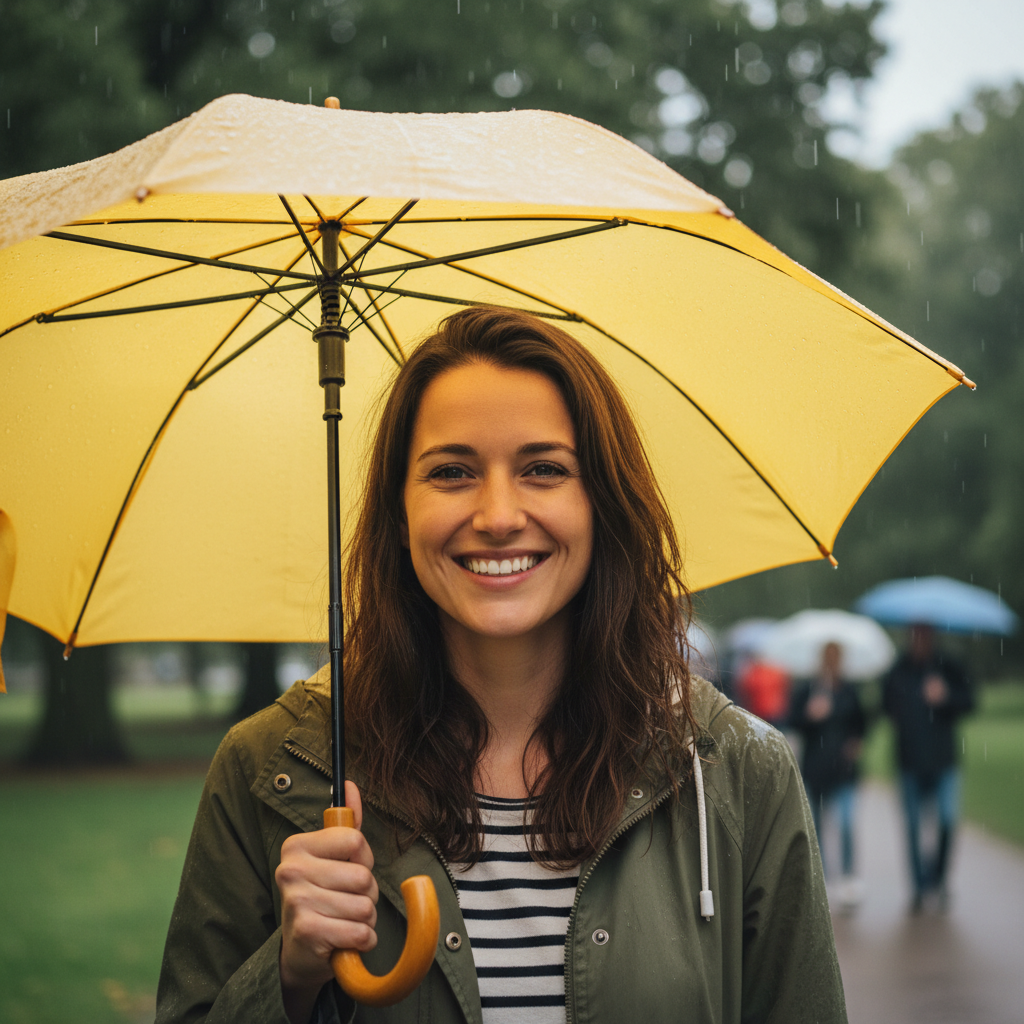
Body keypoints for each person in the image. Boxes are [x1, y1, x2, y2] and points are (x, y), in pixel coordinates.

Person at [155, 306, 847, 1024]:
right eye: (451, 472)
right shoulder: (271, 769)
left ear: (601, 503)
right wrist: (288, 975)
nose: (497, 514)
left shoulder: (734, 771)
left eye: (543, 469)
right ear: (398, 513)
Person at [882, 623, 975, 911]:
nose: (920, 639)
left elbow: (969, 703)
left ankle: (939, 879)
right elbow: (886, 708)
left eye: (925, 634)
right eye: (915, 633)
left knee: (947, 820)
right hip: (909, 760)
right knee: (912, 826)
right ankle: (919, 889)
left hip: (943, 760)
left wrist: (945, 697)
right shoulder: (897, 670)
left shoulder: (949, 667)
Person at [788, 642, 867, 910]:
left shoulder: (849, 690)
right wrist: (810, 715)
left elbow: (861, 722)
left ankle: (847, 877)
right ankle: (822, 879)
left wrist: (856, 741)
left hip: (844, 770)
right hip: (816, 768)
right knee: (817, 827)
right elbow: (794, 721)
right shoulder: (807, 690)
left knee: (845, 823)